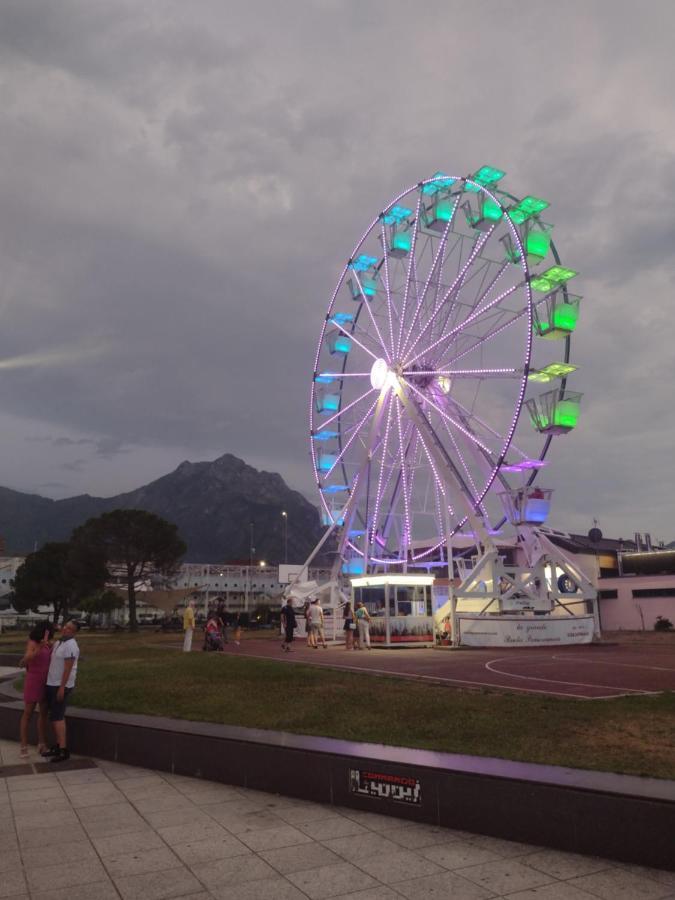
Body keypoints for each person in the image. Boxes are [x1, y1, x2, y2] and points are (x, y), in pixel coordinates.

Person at [42, 619, 80, 763]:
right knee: (56, 716)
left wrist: (62, 688)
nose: (65, 629)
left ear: (74, 632)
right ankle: (58, 746)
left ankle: (63, 750)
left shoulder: (71, 646)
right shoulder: (60, 642)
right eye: (65, 626)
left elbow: (68, 669)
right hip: (52, 683)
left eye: (69, 628)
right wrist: (47, 643)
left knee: (57, 717)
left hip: (60, 685)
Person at [19, 621, 54, 758]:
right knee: (28, 713)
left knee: (43, 713)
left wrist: (50, 645)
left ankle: (42, 743)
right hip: (34, 681)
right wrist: (39, 647)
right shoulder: (33, 642)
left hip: (46, 681)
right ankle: (23, 745)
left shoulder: (48, 644)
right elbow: (27, 658)